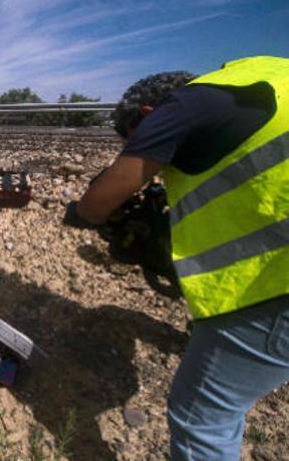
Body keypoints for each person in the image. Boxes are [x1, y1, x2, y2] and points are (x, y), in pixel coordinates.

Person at [63, 56, 289, 460]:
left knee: (201, 418)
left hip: (279, 279)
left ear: (147, 115)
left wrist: (82, 212)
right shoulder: (262, 72)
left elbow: (97, 205)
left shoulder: (182, 106)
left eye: (135, 139)